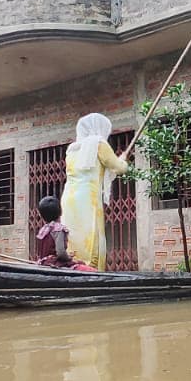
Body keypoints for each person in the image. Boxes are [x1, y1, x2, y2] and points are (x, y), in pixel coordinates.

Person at [61, 113, 128, 270]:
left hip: (69, 198)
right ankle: (92, 272)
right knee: (92, 238)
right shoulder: (98, 144)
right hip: (87, 199)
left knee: (72, 237)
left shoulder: (72, 149)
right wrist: (123, 160)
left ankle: (72, 270)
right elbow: (118, 167)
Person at [34, 195, 96, 271]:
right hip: (56, 264)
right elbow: (60, 252)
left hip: (43, 262)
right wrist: (69, 258)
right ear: (60, 211)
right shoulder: (58, 229)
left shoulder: (43, 229)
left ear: (42, 216)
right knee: (90, 270)